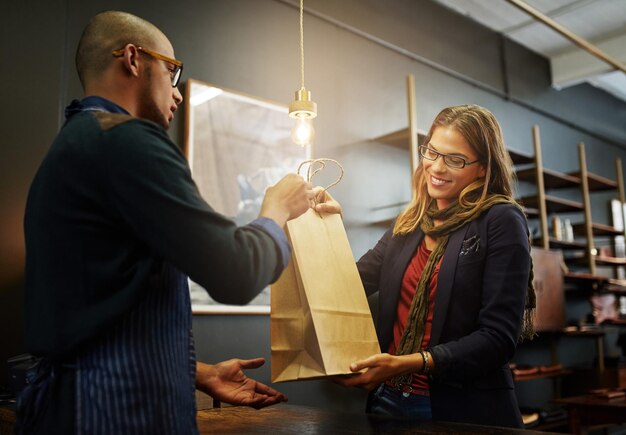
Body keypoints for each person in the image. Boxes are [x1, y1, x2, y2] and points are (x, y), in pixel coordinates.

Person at [19, 10, 319, 434]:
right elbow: (236, 271)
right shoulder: (127, 141)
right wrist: (277, 210)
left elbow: (99, 306)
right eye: (172, 70)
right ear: (132, 58)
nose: (176, 93)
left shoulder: (76, 146)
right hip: (112, 412)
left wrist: (196, 372)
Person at [331, 105, 535, 428]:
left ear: (483, 169)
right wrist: (329, 226)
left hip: (465, 410)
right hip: (388, 401)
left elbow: (498, 338)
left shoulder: (500, 221)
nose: (436, 167)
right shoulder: (409, 224)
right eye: (432, 152)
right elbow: (349, 285)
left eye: (455, 159)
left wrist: (408, 363)